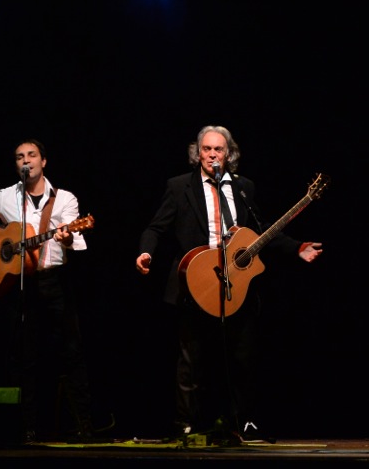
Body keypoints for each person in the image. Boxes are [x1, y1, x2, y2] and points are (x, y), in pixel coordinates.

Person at [135, 125, 323, 443]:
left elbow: (260, 230)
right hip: (195, 279)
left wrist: (296, 248)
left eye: (218, 149)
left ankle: (244, 421)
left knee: (242, 356)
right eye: (206, 149)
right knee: (191, 357)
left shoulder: (243, 187)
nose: (212, 155)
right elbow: (156, 227)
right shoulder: (179, 186)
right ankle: (186, 424)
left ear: (228, 154)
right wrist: (145, 252)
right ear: (197, 154)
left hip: (235, 283)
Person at [0, 138, 95, 442]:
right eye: (19, 157)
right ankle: (24, 428)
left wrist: (67, 237)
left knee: (70, 351)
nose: (25, 161)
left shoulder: (65, 198)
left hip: (55, 281)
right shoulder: (5, 197)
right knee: (22, 356)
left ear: (44, 161)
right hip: (19, 284)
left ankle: (81, 424)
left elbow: (73, 240)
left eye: (31, 155)